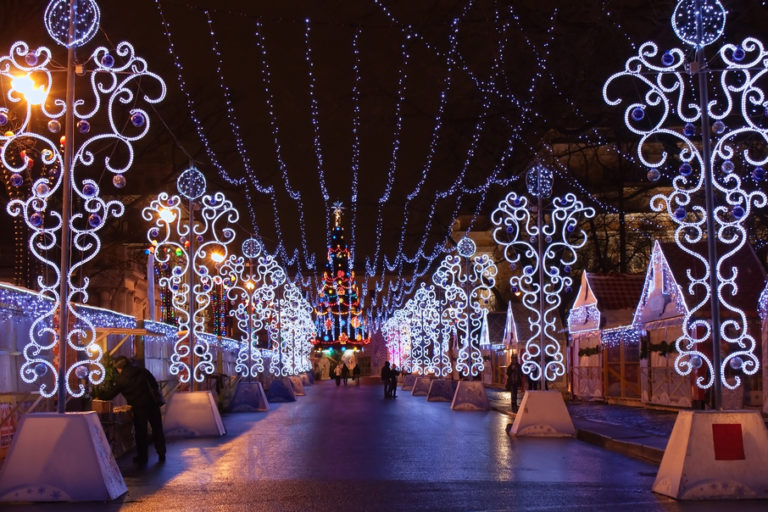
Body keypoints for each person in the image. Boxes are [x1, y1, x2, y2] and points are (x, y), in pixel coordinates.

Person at [103, 356, 166, 465]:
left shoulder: (121, 379)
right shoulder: (143, 371)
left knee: (141, 432)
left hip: (138, 407)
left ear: (119, 367)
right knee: (157, 428)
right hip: (152, 404)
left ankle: (142, 457)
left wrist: (99, 397)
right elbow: (154, 384)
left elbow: (111, 394)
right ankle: (161, 453)